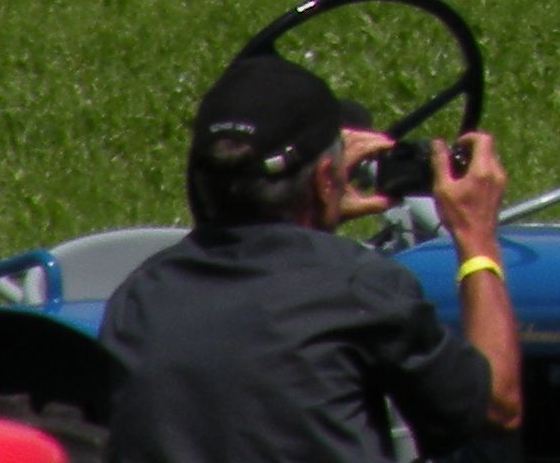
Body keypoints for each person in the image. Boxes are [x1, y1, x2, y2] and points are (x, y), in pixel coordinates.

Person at [101, 56, 522, 463]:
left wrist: (319, 214)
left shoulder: (137, 300)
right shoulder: (359, 287)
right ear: (325, 179)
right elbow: (499, 408)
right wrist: (476, 235)